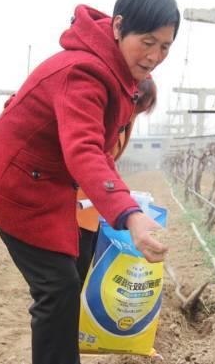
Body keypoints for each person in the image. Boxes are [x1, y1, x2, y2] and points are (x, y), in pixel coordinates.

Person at [0, 0, 180, 363]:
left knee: (63, 284)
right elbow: (85, 151)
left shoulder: (112, 72)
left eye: (165, 47)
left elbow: (100, 153)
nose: (155, 56)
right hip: (17, 185)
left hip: (45, 183)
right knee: (57, 286)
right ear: (118, 26)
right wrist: (130, 216)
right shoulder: (84, 73)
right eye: (147, 42)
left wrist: (122, 205)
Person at [76, 77, 157, 286]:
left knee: (85, 269)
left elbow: (108, 161)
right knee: (72, 275)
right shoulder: (101, 116)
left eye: (139, 112)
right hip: (78, 203)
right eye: (136, 109)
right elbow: (94, 160)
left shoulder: (123, 122)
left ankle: (80, 314)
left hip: (94, 205)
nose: (133, 116)